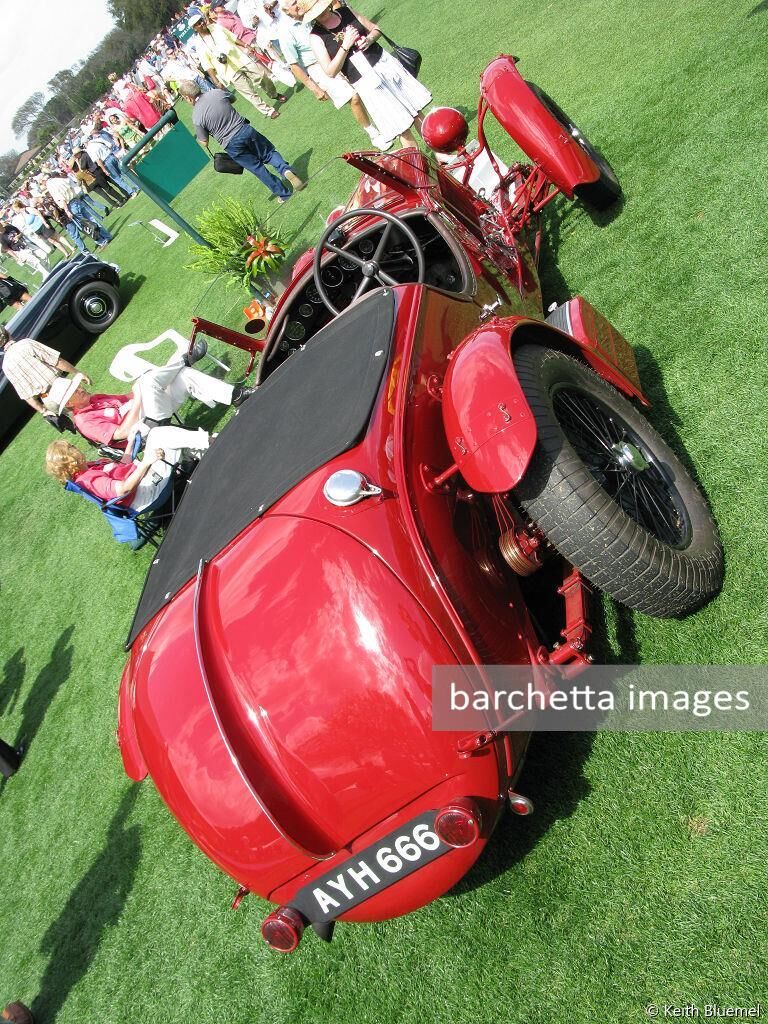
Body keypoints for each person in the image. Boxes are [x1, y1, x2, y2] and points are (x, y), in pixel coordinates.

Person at [42, 349, 255, 449]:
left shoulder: (95, 399)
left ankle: (235, 396)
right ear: (69, 404)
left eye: (76, 385)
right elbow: (121, 433)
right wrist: (139, 398)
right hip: (143, 433)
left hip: (151, 412)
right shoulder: (84, 422)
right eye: (74, 391)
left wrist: (137, 391)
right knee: (148, 382)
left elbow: (127, 397)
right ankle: (183, 359)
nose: (79, 388)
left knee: (181, 377)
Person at [305, 0, 431, 149]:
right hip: (365, 82)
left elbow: (375, 29)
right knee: (401, 127)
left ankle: (441, 153)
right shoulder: (316, 37)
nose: (321, 13)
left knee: (416, 111)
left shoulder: (346, 12)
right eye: (316, 13)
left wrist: (369, 39)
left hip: (383, 64)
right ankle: (421, 169)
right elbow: (330, 71)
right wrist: (345, 45)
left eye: (321, 8)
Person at [278, 0, 385, 147]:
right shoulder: (285, 32)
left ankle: (383, 120)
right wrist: (314, 88)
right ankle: (373, 132)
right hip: (317, 66)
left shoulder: (314, 10)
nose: (298, 4)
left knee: (368, 86)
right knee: (353, 97)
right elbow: (294, 65)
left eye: (297, 0)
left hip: (340, 52)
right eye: (293, 3)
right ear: (286, 11)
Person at [179, 82, 305, 201]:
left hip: (230, 144)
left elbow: (204, 142)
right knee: (269, 153)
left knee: (258, 169)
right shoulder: (216, 93)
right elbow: (232, 98)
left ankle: (284, 194)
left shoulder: (196, 116)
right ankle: (285, 170)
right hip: (244, 129)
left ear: (188, 97)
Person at [46, 430, 208, 514]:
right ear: (70, 458)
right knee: (163, 438)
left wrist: (130, 443)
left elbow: (123, 466)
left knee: (159, 436)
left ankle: (207, 446)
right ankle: (210, 442)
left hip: (144, 483)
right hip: (146, 494)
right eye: (72, 448)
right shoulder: (89, 480)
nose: (76, 448)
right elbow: (124, 489)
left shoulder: (88, 468)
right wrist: (146, 462)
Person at [185, 9, 282, 119]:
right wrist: (216, 81)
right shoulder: (198, 44)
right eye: (198, 24)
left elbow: (232, 38)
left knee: (262, 76)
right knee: (249, 92)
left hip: (239, 58)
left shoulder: (216, 27)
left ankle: (273, 94)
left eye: (201, 21)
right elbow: (207, 65)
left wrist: (246, 45)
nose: (201, 24)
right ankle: (268, 111)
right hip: (228, 71)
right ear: (194, 28)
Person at [0, 324, 88, 420]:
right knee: (89, 410)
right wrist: (78, 373)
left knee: (79, 421)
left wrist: (43, 411)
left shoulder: (6, 366)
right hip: (63, 387)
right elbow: (57, 361)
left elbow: (25, 394)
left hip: (48, 399)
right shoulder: (26, 344)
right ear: (7, 332)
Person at [44, 174, 112, 249]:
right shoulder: (60, 180)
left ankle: (101, 241)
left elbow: (61, 198)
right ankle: (107, 236)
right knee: (92, 220)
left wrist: (67, 210)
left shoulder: (52, 187)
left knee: (85, 226)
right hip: (76, 201)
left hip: (70, 206)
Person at [85, 131, 138, 197]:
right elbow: (110, 145)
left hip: (106, 162)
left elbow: (98, 160)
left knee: (118, 179)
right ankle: (138, 185)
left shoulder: (89, 149)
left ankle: (132, 192)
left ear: (85, 143)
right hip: (112, 156)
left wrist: (104, 170)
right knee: (124, 173)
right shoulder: (97, 140)